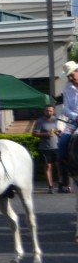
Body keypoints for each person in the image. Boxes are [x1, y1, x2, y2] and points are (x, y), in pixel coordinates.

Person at [55, 60, 78, 192]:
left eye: (71, 75)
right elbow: (66, 109)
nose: (70, 78)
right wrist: (75, 117)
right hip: (75, 121)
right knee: (62, 144)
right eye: (68, 76)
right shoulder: (67, 88)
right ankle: (65, 179)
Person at [33, 104, 58, 194]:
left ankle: (61, 184)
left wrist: (59, 132)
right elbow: (34, 133)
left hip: (56, 147)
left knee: (59, 166)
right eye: (47, 111)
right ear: (44, 111)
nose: (49, 112)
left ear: (53, 111)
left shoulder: (56, 120)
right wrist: (46, 134)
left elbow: (58, 130)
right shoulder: (40, 121)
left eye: (50, 111)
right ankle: (50, 187)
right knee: (48, 166)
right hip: (45, 148)